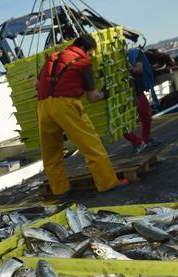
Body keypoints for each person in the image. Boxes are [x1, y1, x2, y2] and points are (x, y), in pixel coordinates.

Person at [36, 34, 122, 196]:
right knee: (91, 147)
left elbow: (36, 83)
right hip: (66, 105)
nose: (90, 56)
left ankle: (60, 191)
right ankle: (108, 184)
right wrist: (108, 92)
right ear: (85, 49)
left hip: (43, 107)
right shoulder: (83, 62)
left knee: (51, 153)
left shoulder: (52, 58)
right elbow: (93, 96)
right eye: (90, 53)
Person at [124, 46, 162, 154]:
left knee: (146, 115)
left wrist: (127, 70)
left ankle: (144, 139)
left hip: (137, 90)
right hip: (121, 94)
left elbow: (139, 70)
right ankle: (137, 141)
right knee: (122, 122)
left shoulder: (135, 53)